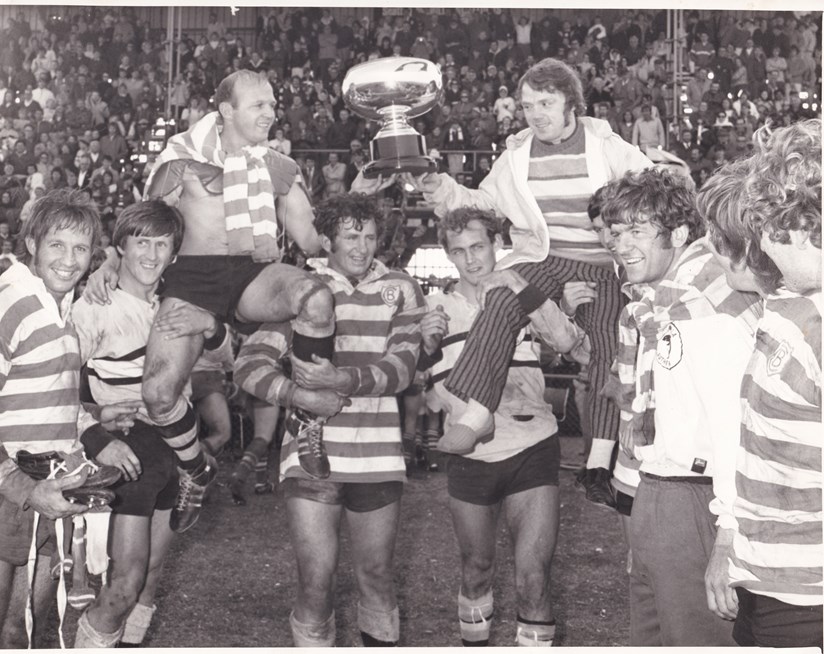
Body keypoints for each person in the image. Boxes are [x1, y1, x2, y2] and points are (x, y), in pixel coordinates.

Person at [81, 70, 337, 532]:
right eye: (259, 104)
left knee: (315, 297)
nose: (271, 112)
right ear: (226, 110)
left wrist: (350, 221)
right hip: (191, 278)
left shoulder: (278, 166)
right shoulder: (183, 154)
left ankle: (307, 420)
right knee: (158, 394)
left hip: (252, 272)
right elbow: (147, 218)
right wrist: (108, 260)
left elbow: (310, 240)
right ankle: (196, 469)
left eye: (273, 103)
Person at [403, 58, 652, 508]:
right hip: (545, 256)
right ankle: (478, 413)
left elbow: (652, 186)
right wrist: (437, 185)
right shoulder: (517, 153)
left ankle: (599, 464)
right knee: (500, 295)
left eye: (546, 103)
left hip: (603, 263)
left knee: (606, 351)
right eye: (527, 104)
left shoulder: (607, 145)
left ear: (570, 103)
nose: (535, 113)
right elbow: (480, 202)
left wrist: (627, 236)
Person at [234, 193, 426, 647]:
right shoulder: (304, 289)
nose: (361, 247)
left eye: (371, 236)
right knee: (316, 584)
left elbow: (403, 369)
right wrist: (297, 393)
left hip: (377, 455)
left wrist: (341, 378)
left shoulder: (400, 287)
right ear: (326, 239)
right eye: (350, 236)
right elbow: (249, 364)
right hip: (308, 454)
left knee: (376, 576)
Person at [601, 167, 762, 646]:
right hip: (658, 493)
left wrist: (728, 537)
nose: (621, 244)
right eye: (616, 231)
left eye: (637, 230)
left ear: (677, 233)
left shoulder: (707, 304)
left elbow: (735, 427)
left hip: (697, 497)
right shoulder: (659, 302)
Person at [422, 207, 589, 646]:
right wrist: (423, 347)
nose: (471, 260)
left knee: (534, 575)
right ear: (448, 257)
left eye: (478, 247)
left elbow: (570, 345)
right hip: (470, 454)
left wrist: (521, 287)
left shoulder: (523, 292)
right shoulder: (435, 309)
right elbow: (417, 388)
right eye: (458, 252)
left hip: (532, 445)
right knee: (476, 569)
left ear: (497, 244)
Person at [0, 189, 139, 648]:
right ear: (32, 243)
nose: (69, 260)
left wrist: (95, 416)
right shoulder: (6, 306)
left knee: (27, 628)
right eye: (57, 244)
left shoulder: (64, 314)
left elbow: (48, 401)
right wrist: (25, 489)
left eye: (80, 248)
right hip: (2, 493)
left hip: (51, 486)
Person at [71, 201, 222, 647]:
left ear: (175, 253)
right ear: (121, 247)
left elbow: (228, 355)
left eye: (163, 244)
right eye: (141, 242)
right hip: (132, 450)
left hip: (176, 449)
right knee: (123, 587)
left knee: (151, 580)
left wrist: (211, 324)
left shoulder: (176, 303)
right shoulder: (96, 305)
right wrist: (95, 428)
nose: (152, 255)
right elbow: (59, 385)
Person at [702, 120, 822, 648]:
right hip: (767, 578)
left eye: (769, 227)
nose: (763, 248)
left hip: (809, 598)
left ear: (802, 225)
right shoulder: (791, 306)